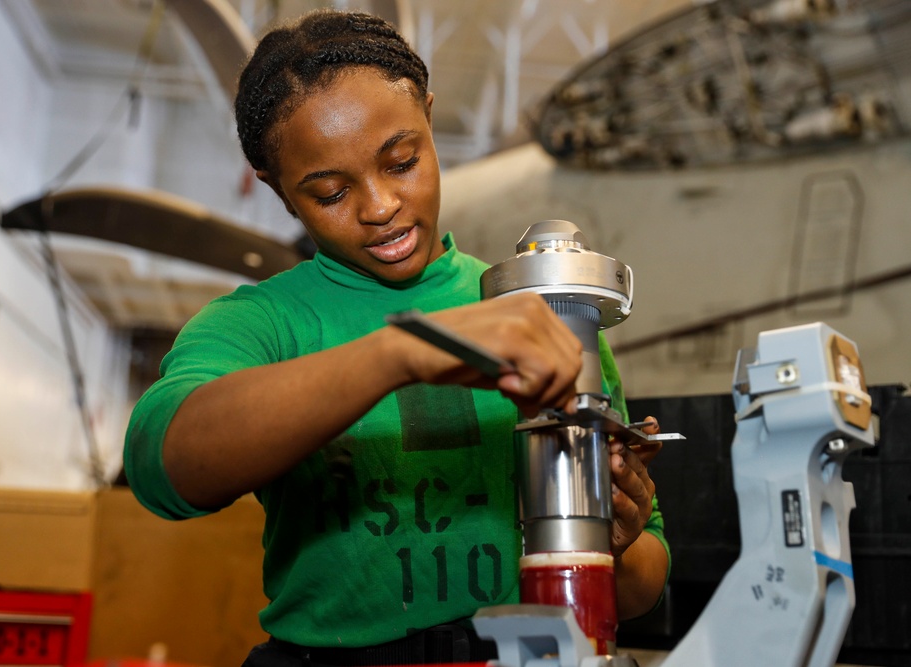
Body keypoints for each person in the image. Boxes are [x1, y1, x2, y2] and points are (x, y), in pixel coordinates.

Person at [124, 8, 669, 666]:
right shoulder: (263, 324)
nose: (380, 205)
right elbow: (164, 465)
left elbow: (643, 583)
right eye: (329, 192)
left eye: (402, 160)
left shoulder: (543, 313)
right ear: (279, 192)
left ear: (430, 120)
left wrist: (616, 542)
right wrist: (398, 352)